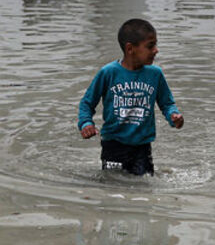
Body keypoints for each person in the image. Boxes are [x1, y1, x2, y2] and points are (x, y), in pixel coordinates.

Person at [78, 19, 184, 175]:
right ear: (130, 49)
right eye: (150, 46)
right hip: (113, 145)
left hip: (142, 146)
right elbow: (87, 103)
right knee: (112, 186)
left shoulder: (155, 74)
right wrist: (86, 123)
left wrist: (173, 116)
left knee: (144, 187)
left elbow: (167, 103)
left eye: (155, 45)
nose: (156, 50)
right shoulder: (108, 73)